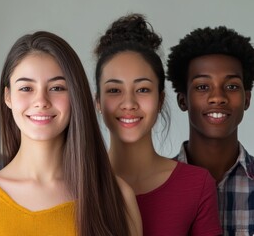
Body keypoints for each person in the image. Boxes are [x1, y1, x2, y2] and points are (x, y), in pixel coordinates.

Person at [0, 31, 142, 236]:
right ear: (7, 97)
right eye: (26, 88)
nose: (41, 101)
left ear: (76, 95)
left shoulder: (117, 196)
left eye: (56, 87)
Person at [94, 14, 222, 235]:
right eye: (114, 90)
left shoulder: (197, 185)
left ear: (161, 100)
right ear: (98, 102)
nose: (129, 103)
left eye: (142, 89)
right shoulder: (75, 184)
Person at [167, 25, 254, 235]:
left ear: (247, 99)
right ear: (182, 100)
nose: (218, 97)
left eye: (232, 86)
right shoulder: (158, 185)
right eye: (202, 87)